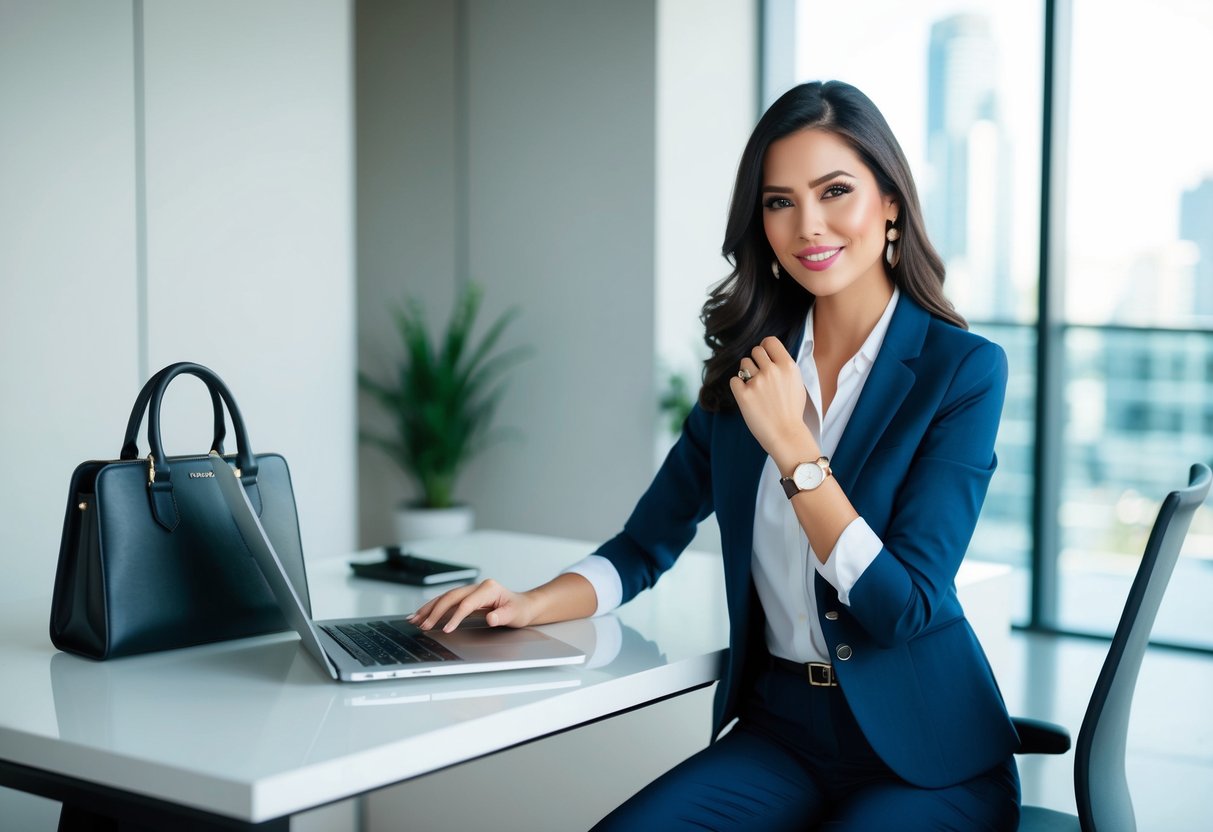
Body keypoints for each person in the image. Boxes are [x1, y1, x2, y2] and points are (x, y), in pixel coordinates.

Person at [409, 80, 1021, 830]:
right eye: (779, 202)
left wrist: (795, 453)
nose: (809, 225)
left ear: (889, 201)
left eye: (835, 191)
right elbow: (643, 544)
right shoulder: (748, 371)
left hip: (926, 759)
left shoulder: (960, 370)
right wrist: (532, 603)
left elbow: (903, 610)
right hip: (781, 734)